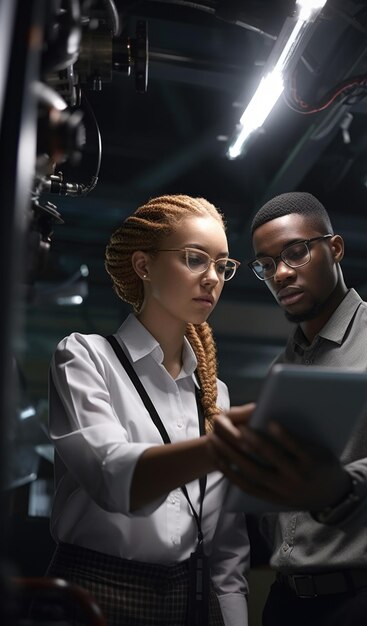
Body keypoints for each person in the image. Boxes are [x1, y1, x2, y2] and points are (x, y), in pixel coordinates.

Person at [210, 191, 367, 626]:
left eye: (296, 252)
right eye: (265, 265)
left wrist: (337, 487)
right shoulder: (281, 368)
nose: (280, 274)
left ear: (335, 248)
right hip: (286, 603)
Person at [45, 194, 250, 626]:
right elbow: (113, 475)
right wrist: (224, 446)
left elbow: (226, 546)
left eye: (222, 265)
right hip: (95, 591)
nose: (212, 278)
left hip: (190, 597)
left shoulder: (216, 394)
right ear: (143, 266)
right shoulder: (85, 358)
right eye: (195, 259)